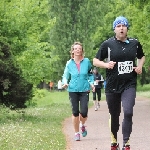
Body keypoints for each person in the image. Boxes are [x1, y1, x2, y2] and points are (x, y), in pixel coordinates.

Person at [93, 16, 145, 150]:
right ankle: (114, 139)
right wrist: (106, 65)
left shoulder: (135, 43)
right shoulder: (107, 44)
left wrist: (139, 66)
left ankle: (126, 143)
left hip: (129, 83)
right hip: (112, 85)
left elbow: (142, 56)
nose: (121, 28)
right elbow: (95, 61)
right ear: (114, 29)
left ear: (127, 28)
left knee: (128, 112)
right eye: (118, 26)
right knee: (114, 115)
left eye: (124, 25)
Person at [62, 42, 95, 141]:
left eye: (79, 48)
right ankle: (76, 133)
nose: (77, 50)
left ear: (82, 50)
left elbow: (90, 74)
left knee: (84, 112)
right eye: (75, 48)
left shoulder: (86, 61)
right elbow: (65, 76)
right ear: (72, 51)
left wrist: (92, 83)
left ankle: (82, 124)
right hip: (73, 90)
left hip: (84, 89)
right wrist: (65, 82)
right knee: (75, 112)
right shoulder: (69, 63)